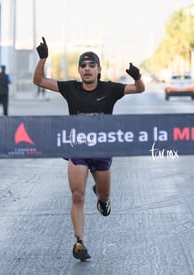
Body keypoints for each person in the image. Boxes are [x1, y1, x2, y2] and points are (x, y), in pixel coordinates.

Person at [33, 37, 145, 261]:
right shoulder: (71, 88)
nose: (87, 69)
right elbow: (39, 80)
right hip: (78, 149)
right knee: (77, 195)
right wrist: (43, 58)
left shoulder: (110, 89)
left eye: (91, 65)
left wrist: (138, 77)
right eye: (83, 66)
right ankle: (79, 242)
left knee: (104, 195)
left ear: (99, 70)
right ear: (79, 70)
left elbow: (139, 90)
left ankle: (102, 198)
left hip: (102, 152)